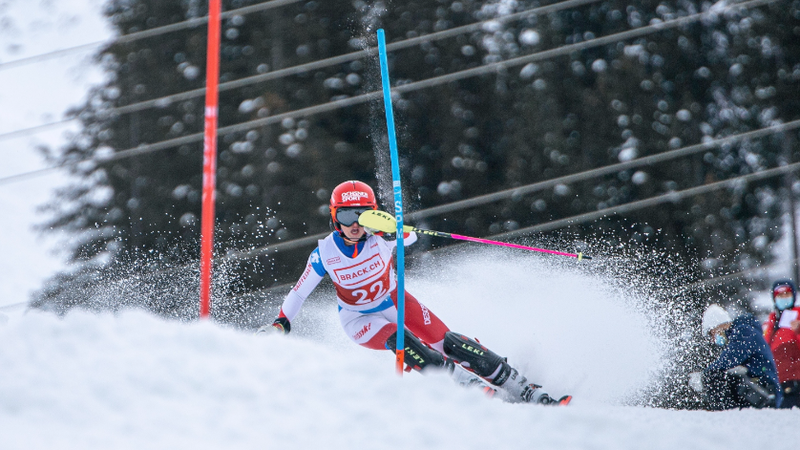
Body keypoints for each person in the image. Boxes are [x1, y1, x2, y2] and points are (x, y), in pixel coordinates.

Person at [257, 180, 570, 405]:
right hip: (358, 319)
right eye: (346, 216)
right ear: (334, 217)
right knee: (401, 339)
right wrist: (282, 321)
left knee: (450, 343)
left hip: (396, 301)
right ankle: (467, 386)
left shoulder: (380, 239)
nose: (354, 225)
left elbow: (407, 238)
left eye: (361, 215)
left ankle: (523, 388)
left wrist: (393, 229)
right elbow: (299, 293)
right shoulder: (325, 253)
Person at [688, 304, 782, 410]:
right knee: (725, 375)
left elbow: (728, 360)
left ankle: (723, 415)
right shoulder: (741, 333)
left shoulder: (744, 331)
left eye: (712, 334)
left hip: (766, 392)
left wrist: (703, 376)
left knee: (713, 376)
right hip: (759, 389)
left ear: (718, 326)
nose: (713, 339)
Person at [762, 279, 800, 408]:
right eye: (780, 295)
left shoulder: (798, 316)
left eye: (787, 294)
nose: (783, 298)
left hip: (795, 382)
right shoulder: (770, 322)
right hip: (776, 383)